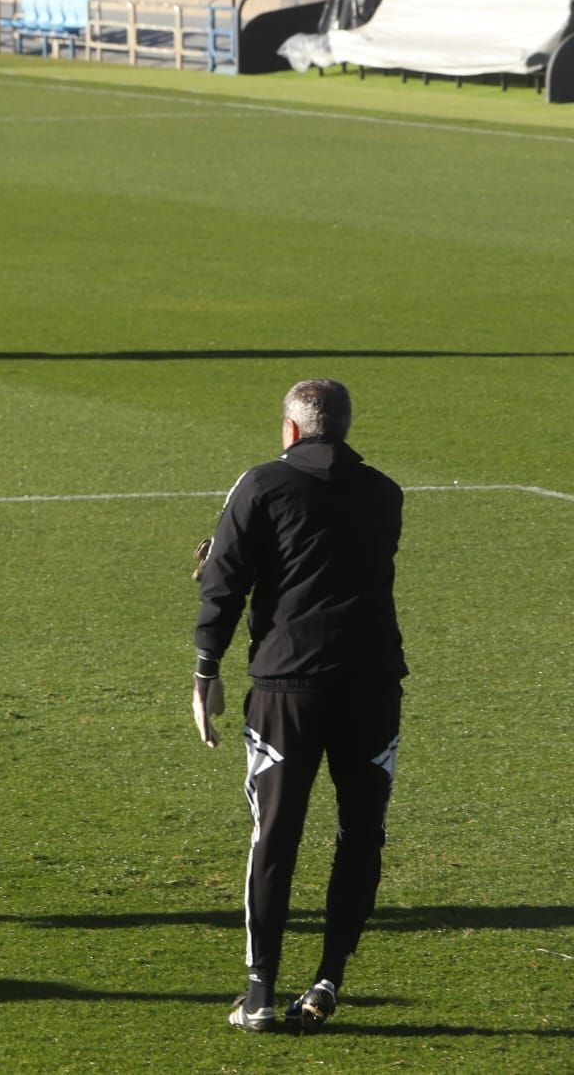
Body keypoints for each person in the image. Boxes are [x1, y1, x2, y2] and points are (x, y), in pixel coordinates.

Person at [190, 379, 406, 1034]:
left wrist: (206, 670)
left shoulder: (259, 486)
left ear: (289, 429)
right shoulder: (386, 492)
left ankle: (258, 994)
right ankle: (328, 979)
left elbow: (227, 581)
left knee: (274, 836)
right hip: (372, 683)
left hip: (287, 685)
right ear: (343, 426)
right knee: (360, 834)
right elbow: (336, 558)